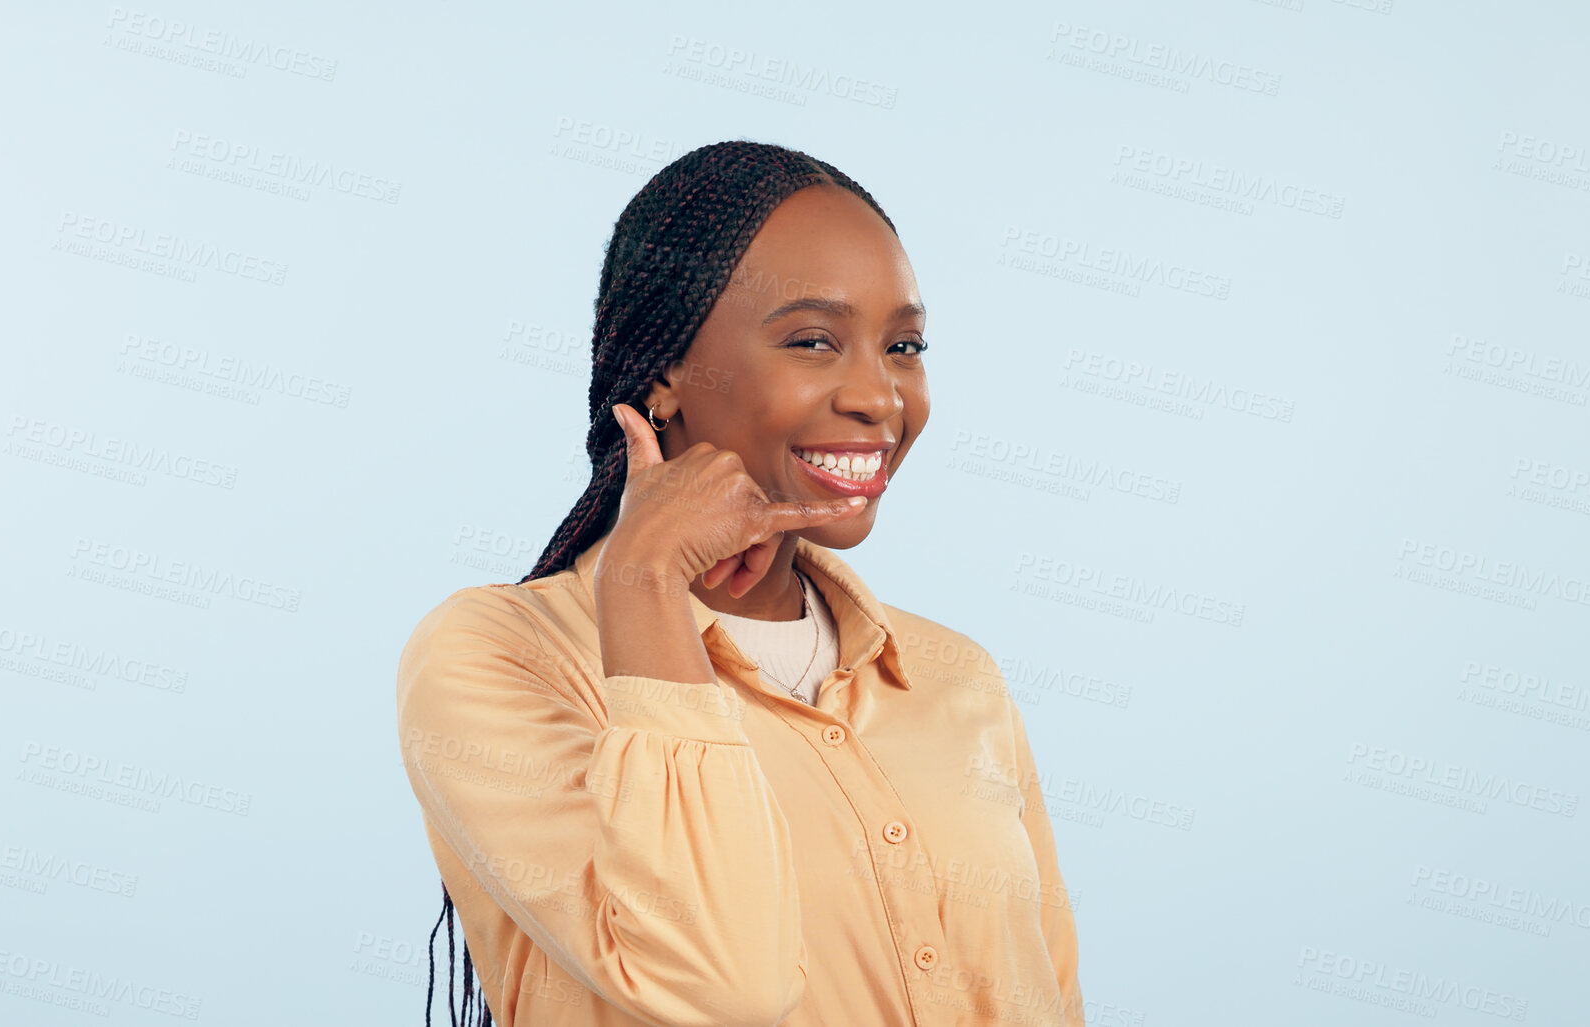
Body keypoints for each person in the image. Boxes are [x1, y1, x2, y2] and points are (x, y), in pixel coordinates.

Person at [397, 140, 1084, 1026]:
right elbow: (720, 986)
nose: (880, 396)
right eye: (813, 341)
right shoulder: (494, 659)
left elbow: (1053, 999)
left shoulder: (957, 677)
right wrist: (642, 580)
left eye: (902, 344)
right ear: (663, 372)